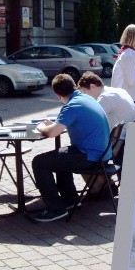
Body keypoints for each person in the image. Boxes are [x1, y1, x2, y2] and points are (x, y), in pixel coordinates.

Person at [32, 74, 110, 222]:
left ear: (58, 95)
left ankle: (55, 209)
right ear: (74, 85)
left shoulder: (72, 105)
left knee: (39, 162)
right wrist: (54, 124)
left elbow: (52, 133)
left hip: (91, 156)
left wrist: (42, 126)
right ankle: (71, 200)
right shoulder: (85, 98)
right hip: (101, 153)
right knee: (61, 156)